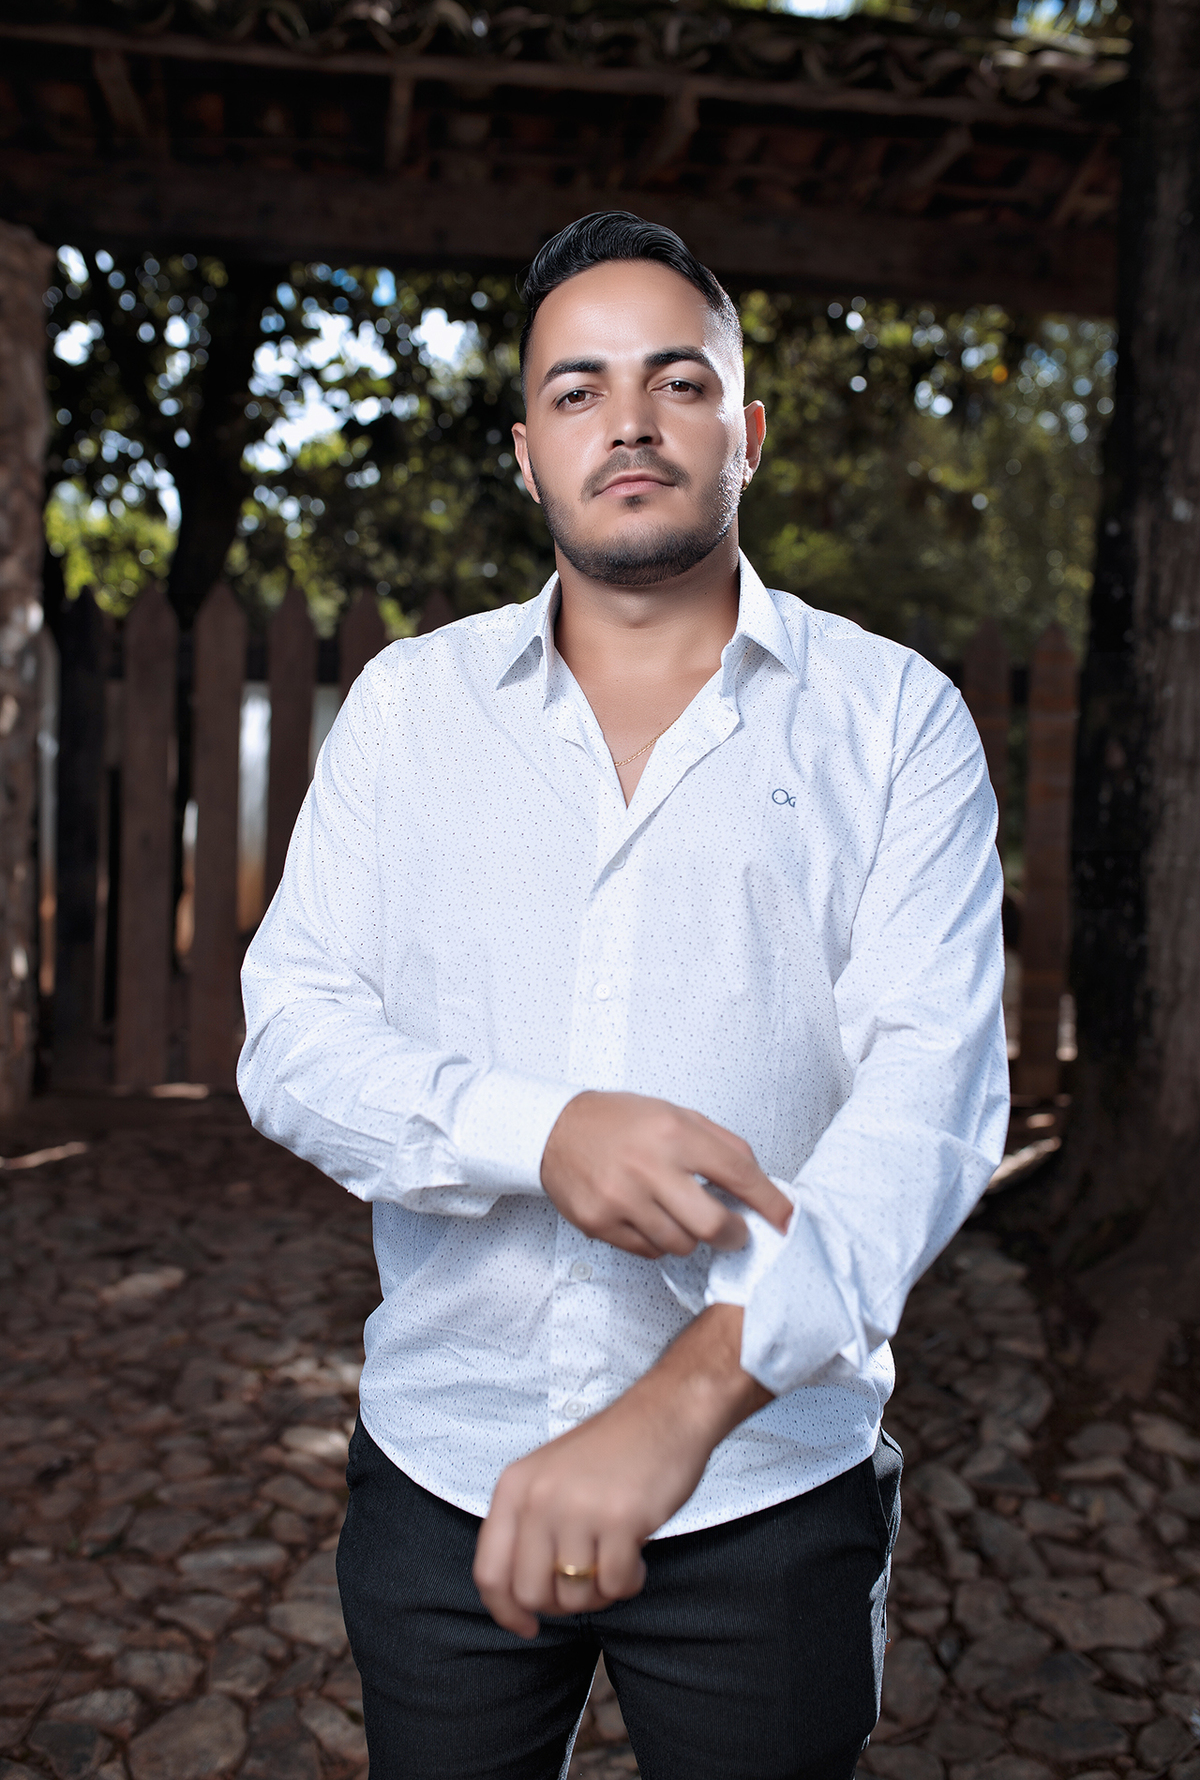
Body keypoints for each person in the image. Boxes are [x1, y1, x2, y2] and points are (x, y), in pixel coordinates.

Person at [238, 211, 1008, 1780]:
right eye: (578, 390)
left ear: (748, 429)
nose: (632, 421)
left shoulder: (895, 721)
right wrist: (541, 1133)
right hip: (444, 1469)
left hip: (771, 1487)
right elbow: (291, 1038)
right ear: (529, 454)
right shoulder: (406, 711)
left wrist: (691, 1396)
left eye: (679, 380)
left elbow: (930, 1108)